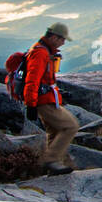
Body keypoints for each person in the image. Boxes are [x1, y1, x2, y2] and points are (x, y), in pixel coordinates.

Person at [23, 22, 79, 176]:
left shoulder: (46, 51)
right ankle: (52, 160)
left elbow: (45, 80)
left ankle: (55, 167)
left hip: (47, 99)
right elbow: (32, 80)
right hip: (43, 101)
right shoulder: (40, 53)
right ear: (54, 37)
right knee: (71, 126)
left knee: (55, 132)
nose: (63, 42)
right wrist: (31, 104)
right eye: (62, 39)